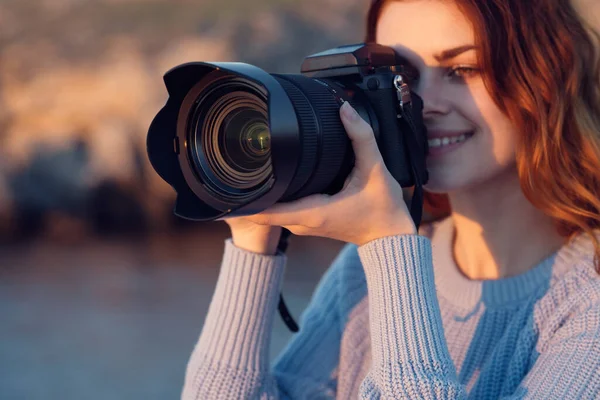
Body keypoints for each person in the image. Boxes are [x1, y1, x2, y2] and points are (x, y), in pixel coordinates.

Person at [181, 0, 600, 398]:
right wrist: (254, 237)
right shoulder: (367, 271)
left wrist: (390, 247)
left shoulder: (586, 300)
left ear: (546, 74)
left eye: (462, 69)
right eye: (402, 78)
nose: (423, 105)